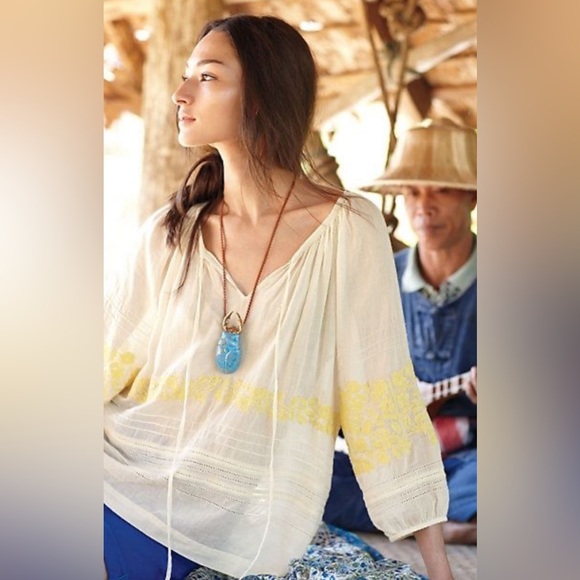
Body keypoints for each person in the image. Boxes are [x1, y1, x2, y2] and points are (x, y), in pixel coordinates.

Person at [104, 15, 454, 580]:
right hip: (122, 484)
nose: (181, 92)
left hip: (245, 525)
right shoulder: (171, 232)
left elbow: (381, 398)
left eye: (207, 76)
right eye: (188, 75)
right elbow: (103, 360)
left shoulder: (348, 230)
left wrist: (439, 568)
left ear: (260, 94)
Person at [323, 119, 477, 545]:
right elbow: (348, 395)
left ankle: (416, 519)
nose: (424, 206)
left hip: (472, 461)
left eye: (442, 190)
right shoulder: (378, 278)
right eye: (412, 192)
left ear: (473, 196)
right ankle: (444, 525)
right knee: (307, 474)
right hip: (394, 465)